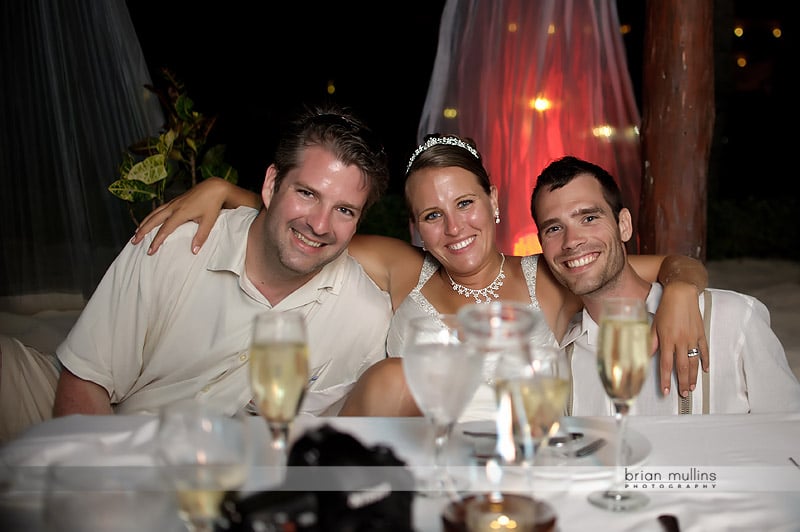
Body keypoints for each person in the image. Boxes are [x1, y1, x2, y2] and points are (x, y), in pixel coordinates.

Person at [134, 134, 710, 418]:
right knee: (392, 378)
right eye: (433, 215)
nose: (454, 228)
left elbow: (662, 264)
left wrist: (683, 288)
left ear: (494, 202)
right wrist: (227, 192)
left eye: (465, 204)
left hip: (517, 459)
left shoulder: (549, 274)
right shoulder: (405, 270)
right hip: (398, 454)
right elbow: (313, 227)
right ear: (414, 228)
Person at [0, 103, 393, 442]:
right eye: (306, 193)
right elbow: (84, 382)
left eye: (344, 210)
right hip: (91, 417)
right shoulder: (175, 245)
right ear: (272, 184)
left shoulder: (364, 318)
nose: (320, 224)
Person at [530, 155, 800, 414]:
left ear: (624, 225)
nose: (571, 241)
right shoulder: (558, 362)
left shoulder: (732, 318)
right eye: (554, 228)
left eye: (589, 218)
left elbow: (789, 433)